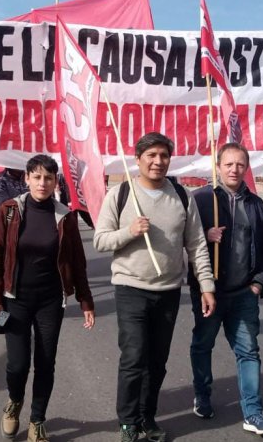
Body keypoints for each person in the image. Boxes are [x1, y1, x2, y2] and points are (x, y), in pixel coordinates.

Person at [93, 132, 215, 442]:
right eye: (151, 155)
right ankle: (128, 422)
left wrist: (206, 286)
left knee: (157, 361)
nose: (158, 161)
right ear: (138, 159)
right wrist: (129, 231)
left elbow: (197, 244)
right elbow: (100, 240)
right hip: (131, 288)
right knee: (134, 357)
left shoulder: (182, 196)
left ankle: (148, 417)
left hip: (169, 291)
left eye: (163, 155)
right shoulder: (120, 194)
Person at [0, 154, 95, 442]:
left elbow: (77, 262)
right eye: (37, 176)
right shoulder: (9, 211)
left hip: (49, 302)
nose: (42, 182)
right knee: (18, 364)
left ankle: (37, 419)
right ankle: (14, 402)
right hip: (14, 300)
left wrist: (85, 301)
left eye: (48, 177)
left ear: (55, 181)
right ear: (27, 179)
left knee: (46, 362)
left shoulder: (65, 217)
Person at [187, 143, 263, 435]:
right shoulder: (201, 199)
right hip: (210, 291)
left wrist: (259, 283)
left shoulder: (257, 205)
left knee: (249, 351)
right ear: (218, 166)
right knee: (203, 345)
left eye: (240, 164)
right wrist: (203, 236)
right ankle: (202, 394)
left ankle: (253, 411)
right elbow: (181, 242)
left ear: (247, 168)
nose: (234, 169)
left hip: (243, 293)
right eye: (228, 164)